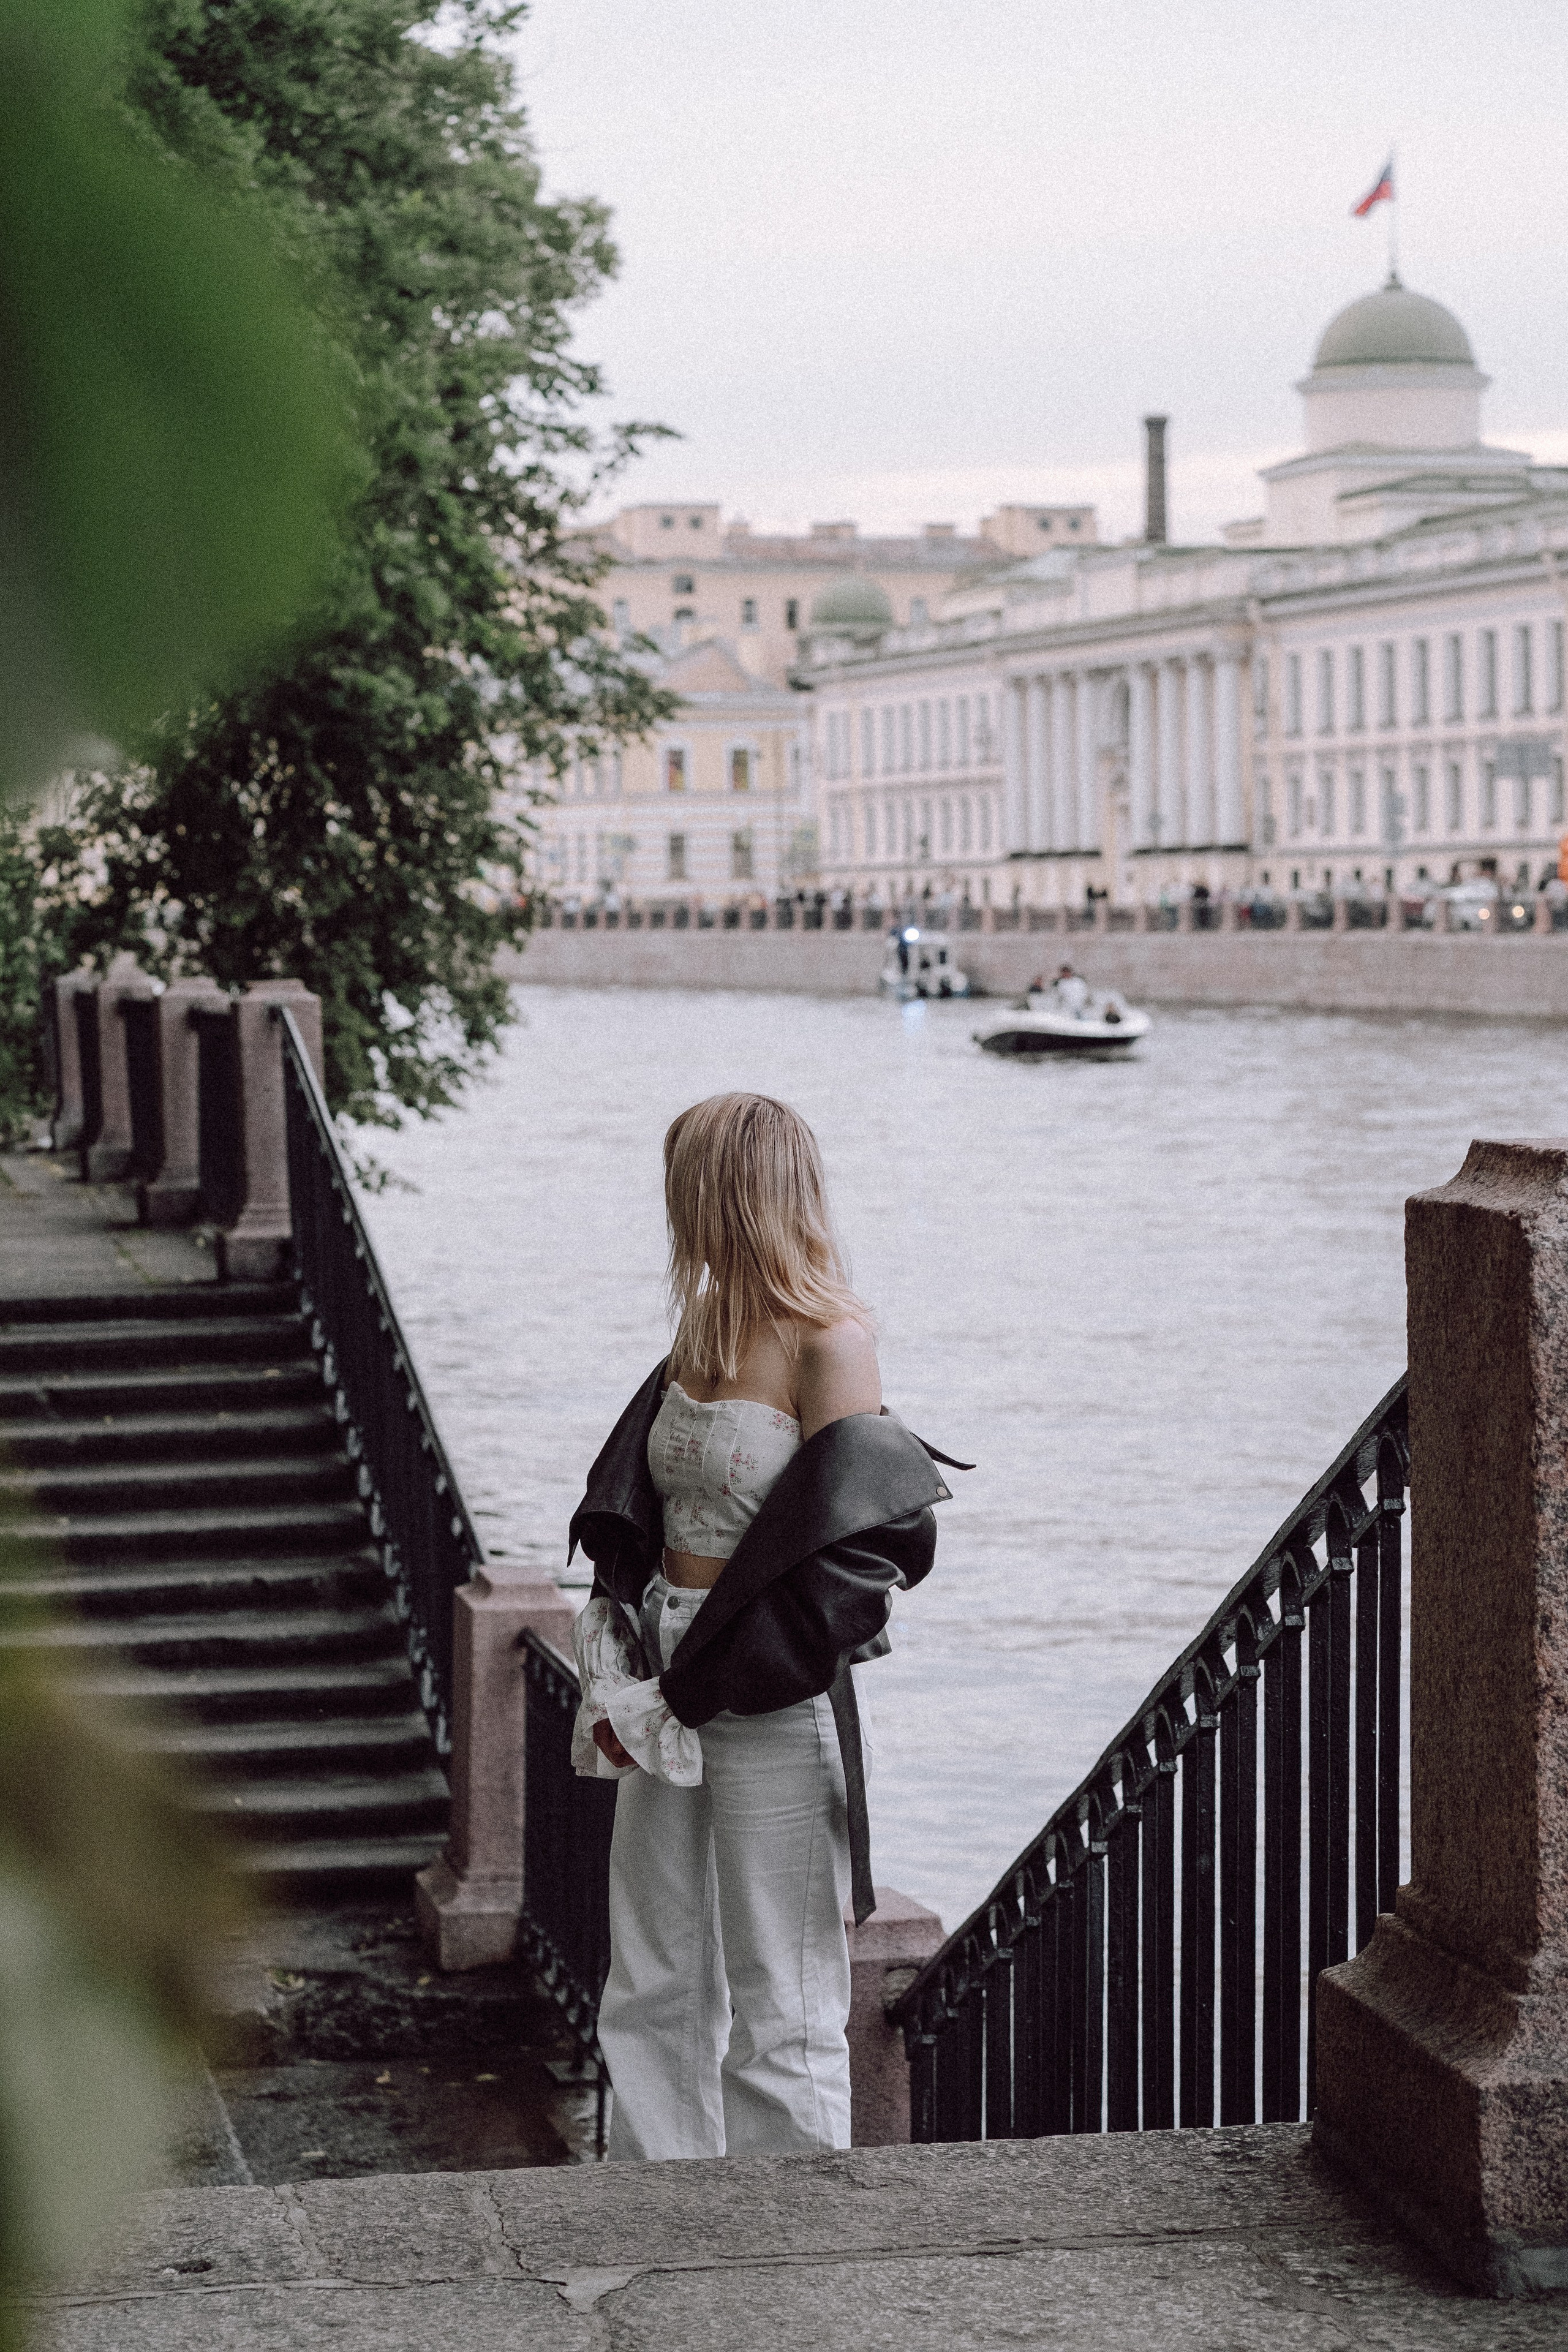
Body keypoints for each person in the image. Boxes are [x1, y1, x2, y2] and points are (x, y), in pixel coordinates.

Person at [567, 1093, 960, 2163]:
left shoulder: (832, 1344)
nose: (672, 1206)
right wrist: (623, 1669)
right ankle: (663, 2210)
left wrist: (683, 1691)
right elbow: (641, 1518)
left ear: (727, 1191)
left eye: (683, 1182)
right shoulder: (699, 1331)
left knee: (780, 2000)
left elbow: (856, 1561)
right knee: (652, 1978)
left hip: (770, 1689)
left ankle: (789, 2258)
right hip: (659, 1669)